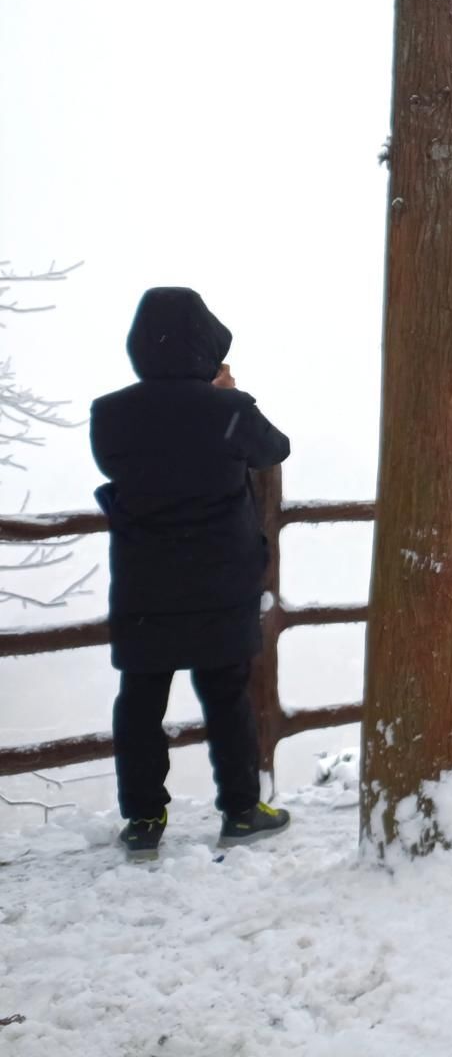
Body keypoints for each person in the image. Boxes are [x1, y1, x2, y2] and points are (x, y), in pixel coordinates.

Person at [91, 288, 294, 860]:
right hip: (219, 582)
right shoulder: (227, 412)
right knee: (227, 697)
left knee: (140, 700)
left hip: (143, 584)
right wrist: (220, 398)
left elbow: (120, 463)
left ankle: (144, 819)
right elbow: (274, 450)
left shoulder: (110, 414)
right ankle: (241, 810)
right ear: (205, 342)